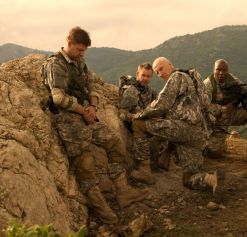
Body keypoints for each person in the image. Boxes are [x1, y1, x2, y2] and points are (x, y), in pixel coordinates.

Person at [41, 27, 148, 224]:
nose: (82, 54)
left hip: (86, 115)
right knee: (86, 167)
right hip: (69, 122)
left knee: (115, 144)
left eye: (84, 51)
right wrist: (83, 111)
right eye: (80, 50)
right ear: (70, 43)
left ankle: (123, 193)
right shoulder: (56, 65)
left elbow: (91, 85)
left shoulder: (79, 63)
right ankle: (104, 212)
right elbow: (58, 98)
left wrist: (92, 106)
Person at [131, 57, 225, 202]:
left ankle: (144, 170)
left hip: (183, 128)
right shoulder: (191, 79)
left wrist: (140, 114)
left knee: (138, 125)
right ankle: (212, 179)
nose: (160, 73)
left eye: (161, 68)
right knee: (188, 178)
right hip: (198, 133)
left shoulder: (177, 76)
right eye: (157, 72)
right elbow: (206, 104)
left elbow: (162, 104)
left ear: (170, 65)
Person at [204, 59, 247, 164]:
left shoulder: (232, 79)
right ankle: (211, 142)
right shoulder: (207, 85)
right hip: (216, 122)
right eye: (218, 70)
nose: (221, 73)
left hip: (232, 115)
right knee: (215, 153)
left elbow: (244, 92)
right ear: (213, 70)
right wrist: (223, 109)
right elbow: (204, 107)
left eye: (224, 70)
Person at [117, 63, 158, 184]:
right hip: (134, 123)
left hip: (146, 120)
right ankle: (143, 168)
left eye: (148, 76)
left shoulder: (151, 91)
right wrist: (136, 116)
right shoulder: (131, 91)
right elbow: (122, 114)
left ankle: (156, 163)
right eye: (143, 75)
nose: (145, 78)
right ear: (137, 74)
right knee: (139, 126)